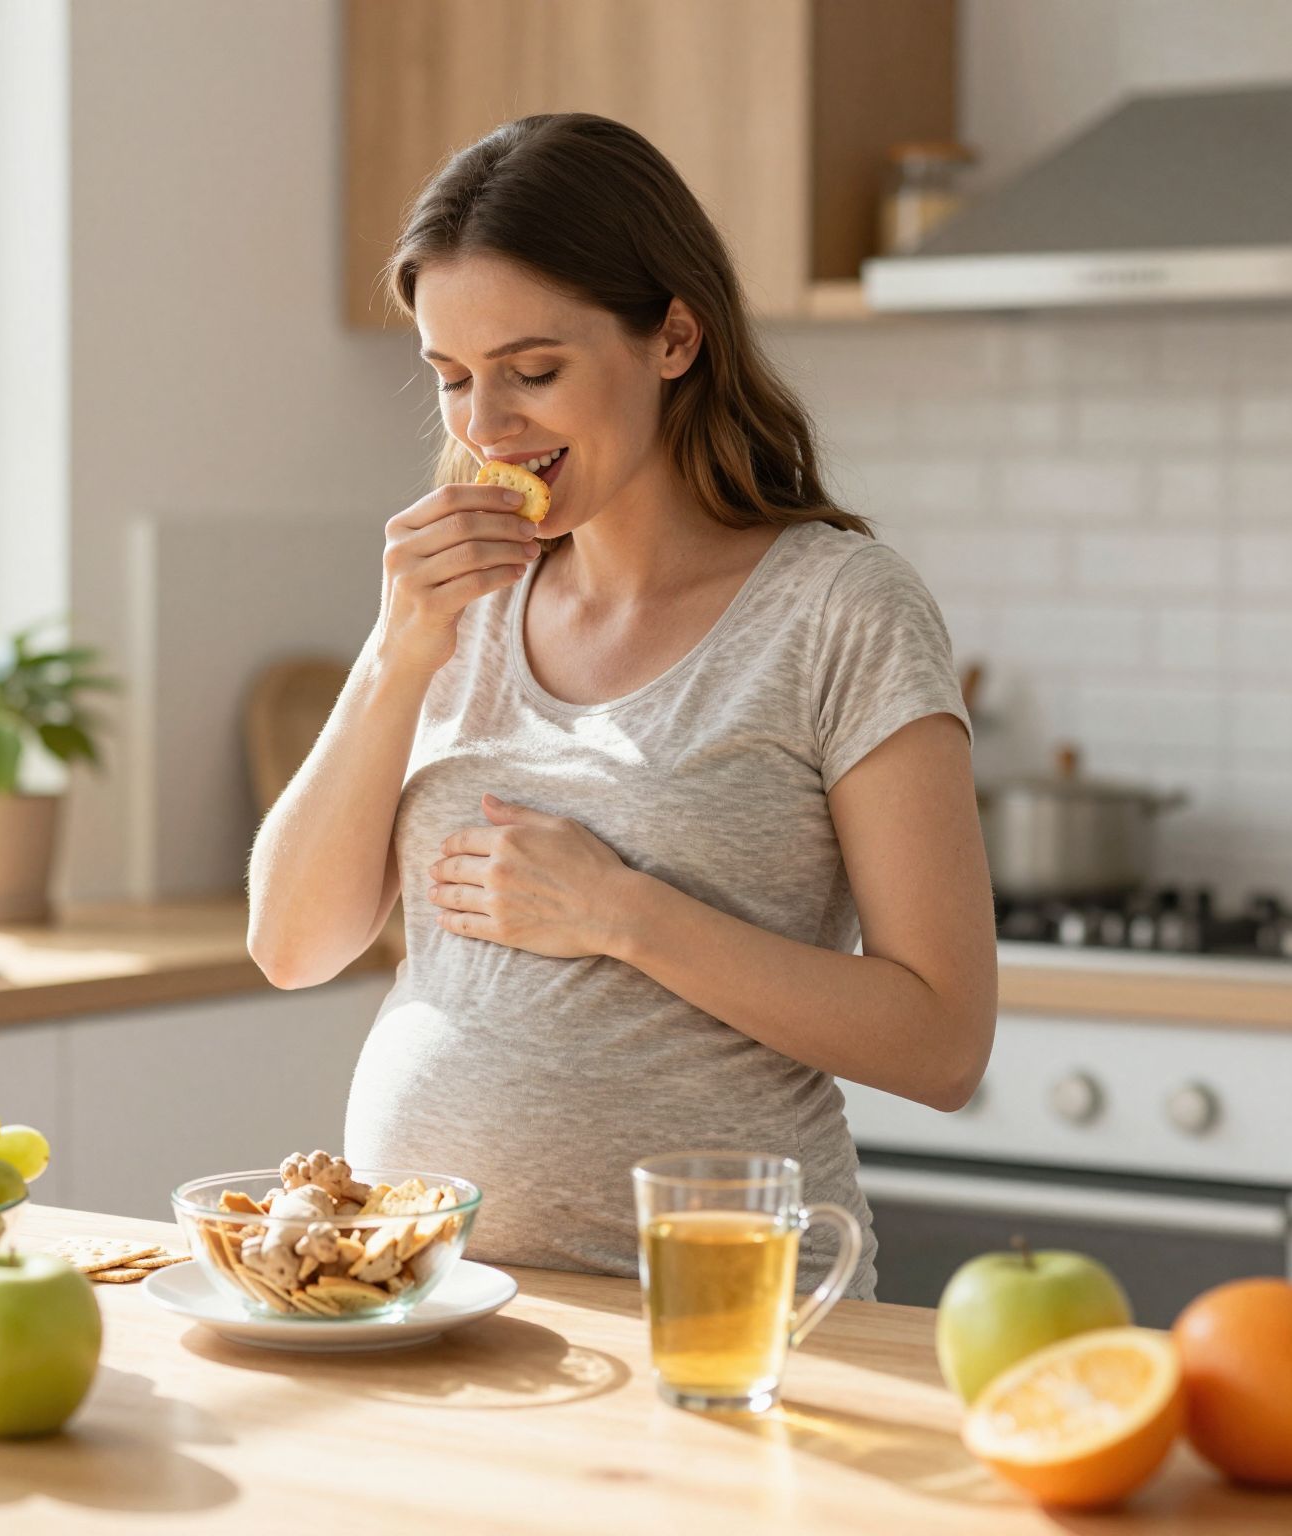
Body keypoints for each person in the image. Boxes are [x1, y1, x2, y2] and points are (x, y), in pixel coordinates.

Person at [248, 113, 995, 1298]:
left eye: (532, 371)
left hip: (724, 1323)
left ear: (674, 338)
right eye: (452, 378)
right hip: (426, 1304)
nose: (485, 426)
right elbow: (292, 946)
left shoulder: (839, 609)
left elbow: (944, 1043)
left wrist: (620, 913)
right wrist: (397, 653)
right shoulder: (458, 603)